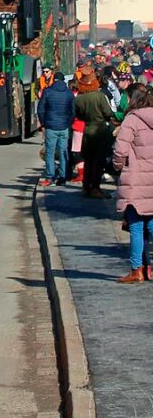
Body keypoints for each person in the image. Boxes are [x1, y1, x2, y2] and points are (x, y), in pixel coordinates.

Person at [112, 85, 153, 284]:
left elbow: (120, 150)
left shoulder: (132, 120)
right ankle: (150, 269)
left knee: (136, 225)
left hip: (136, 179)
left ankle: (137, 270)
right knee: (152, 224)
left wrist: (118, 166)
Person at [74, 67, 115, 198]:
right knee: (98, 160)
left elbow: (79, 115)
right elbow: (108, 113)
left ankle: (86, 186)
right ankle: (95, 187)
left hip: (87, 130)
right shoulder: (100, 96)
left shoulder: (79, 99)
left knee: (88, 160)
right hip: (100, 130)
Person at [37, 71, 75, 186]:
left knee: (50, 152)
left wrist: (44, 123)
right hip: (64, 127)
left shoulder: (47, 92)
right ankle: (63, 177)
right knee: (63, 152)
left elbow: (40, 109)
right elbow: (73, 112)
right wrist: (68, 123)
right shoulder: (69, 93)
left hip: (51, 126)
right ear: (64, 80)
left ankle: (50, 177)